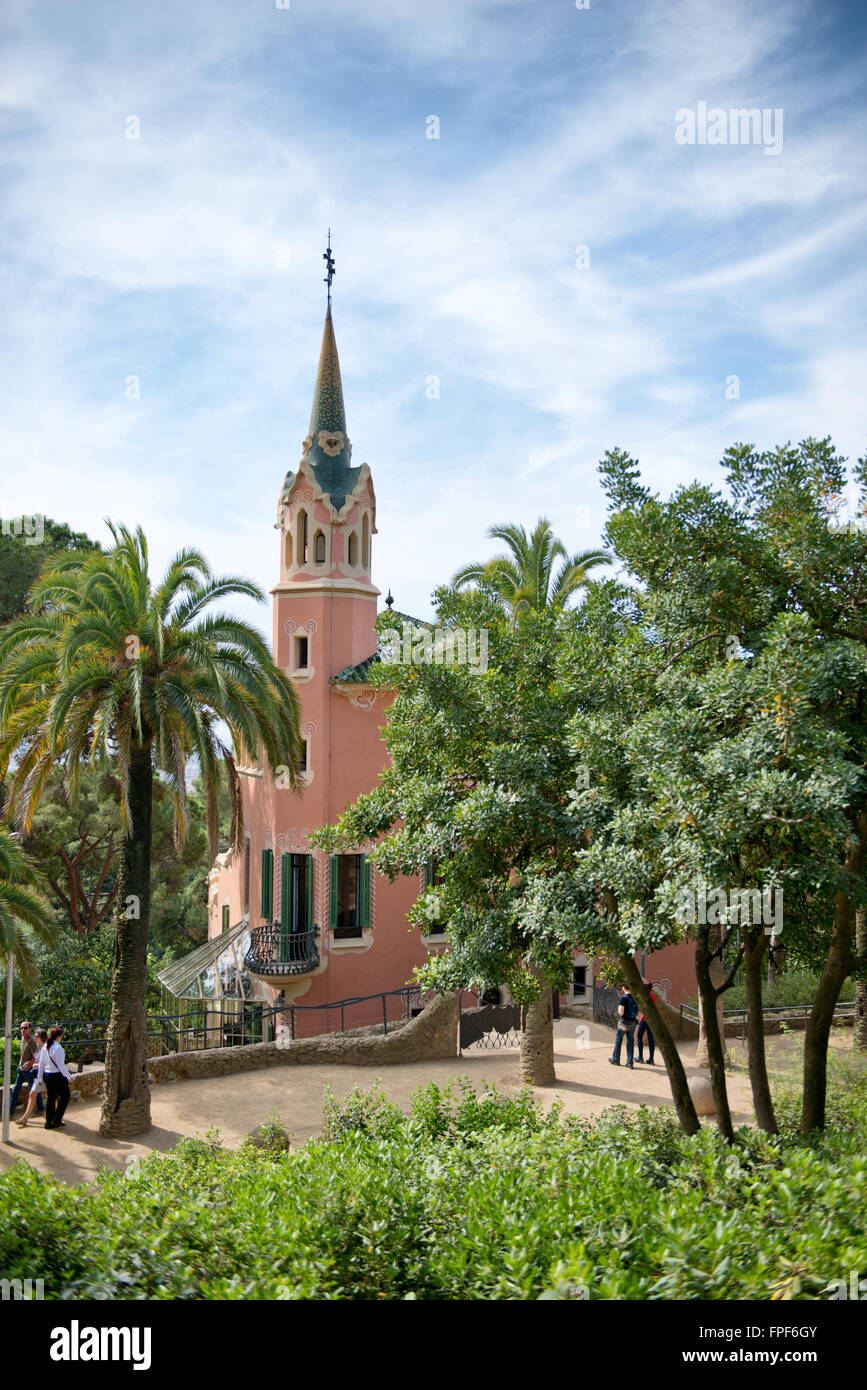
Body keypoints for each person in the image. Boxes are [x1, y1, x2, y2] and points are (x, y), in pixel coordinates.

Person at [6, 1021, 45, 1119]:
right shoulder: (22, 1039)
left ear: (30, 1029)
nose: (22, 1030)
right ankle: (10, 1113)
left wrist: (29, 1065)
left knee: (34, 1090)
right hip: (21, 1069)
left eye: (25, 1028)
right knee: (15, 1090)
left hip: (27, 1070)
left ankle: (40, 1109)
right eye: (21, 1028)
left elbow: (34, 1056)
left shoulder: (31, 1041)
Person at [39, 1027, 72, 1130]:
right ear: (59, 1036)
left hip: (48, 1075)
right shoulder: (58, 1048)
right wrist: (69, 1077)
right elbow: (61, 1066)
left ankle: (49, 1123)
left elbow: (41, 1063)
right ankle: (56, 1118)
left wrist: (40, 1078)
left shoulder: (45, 1047)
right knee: (65, 1096)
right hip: (57, 1076)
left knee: (51, 1098)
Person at [15, 1030, 48, 1126]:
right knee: (32, 1094)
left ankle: (56, 1115)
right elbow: (36, 1060)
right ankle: (25, 1118)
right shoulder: (39, 1047)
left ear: (41, 1037)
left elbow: (46, 1063)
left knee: (50, 1096)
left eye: (37, 1036)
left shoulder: (45, 1048)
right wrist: (30, 1063)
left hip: (45, 1075)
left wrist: (36, 1065)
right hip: (39, 1076)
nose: (35, 1037)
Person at [609, 986, 638, 1068]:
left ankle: (616, 1059)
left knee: (619, 1039)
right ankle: (630, 1062)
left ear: (624, 988)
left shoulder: (624, 998)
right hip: (633, 1022)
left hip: (624, 1022)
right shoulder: (634, 997)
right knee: (630, 1042)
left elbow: (621, 1012)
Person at [636, 979, 657, 1064]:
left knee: (639, 1037)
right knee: (651, 1039)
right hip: (652, 1019)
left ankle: (640, 1057)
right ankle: (651, 1059)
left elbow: (640, 1008)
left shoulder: (644, 996)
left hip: (644, 1019)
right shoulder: (653, 996)